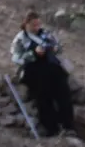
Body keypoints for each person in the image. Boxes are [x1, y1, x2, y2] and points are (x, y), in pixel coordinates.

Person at [11, 10, 75, 138]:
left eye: (38, 24)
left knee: (64, 95)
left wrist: (53, 48)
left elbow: (58, 47)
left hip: (53, 69)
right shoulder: (20, 38)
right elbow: (16, 58)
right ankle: (52, 129)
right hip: (34, 71)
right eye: (33, 25)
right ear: (26, 24)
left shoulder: (46, 34)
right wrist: (33, 54)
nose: (37, 27)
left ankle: (68, 126)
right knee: (43, 99)